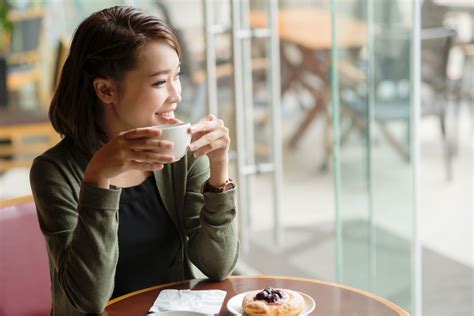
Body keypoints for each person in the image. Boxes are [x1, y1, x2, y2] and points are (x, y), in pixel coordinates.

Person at [29, 6, 239, 315]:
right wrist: (98, 178)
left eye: (176, 77)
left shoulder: (179, 154)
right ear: (106, 90)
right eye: (158, 83)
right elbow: (88, 299)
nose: (176, 95)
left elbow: (218, 266)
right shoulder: (55, 171)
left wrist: (219, 171)